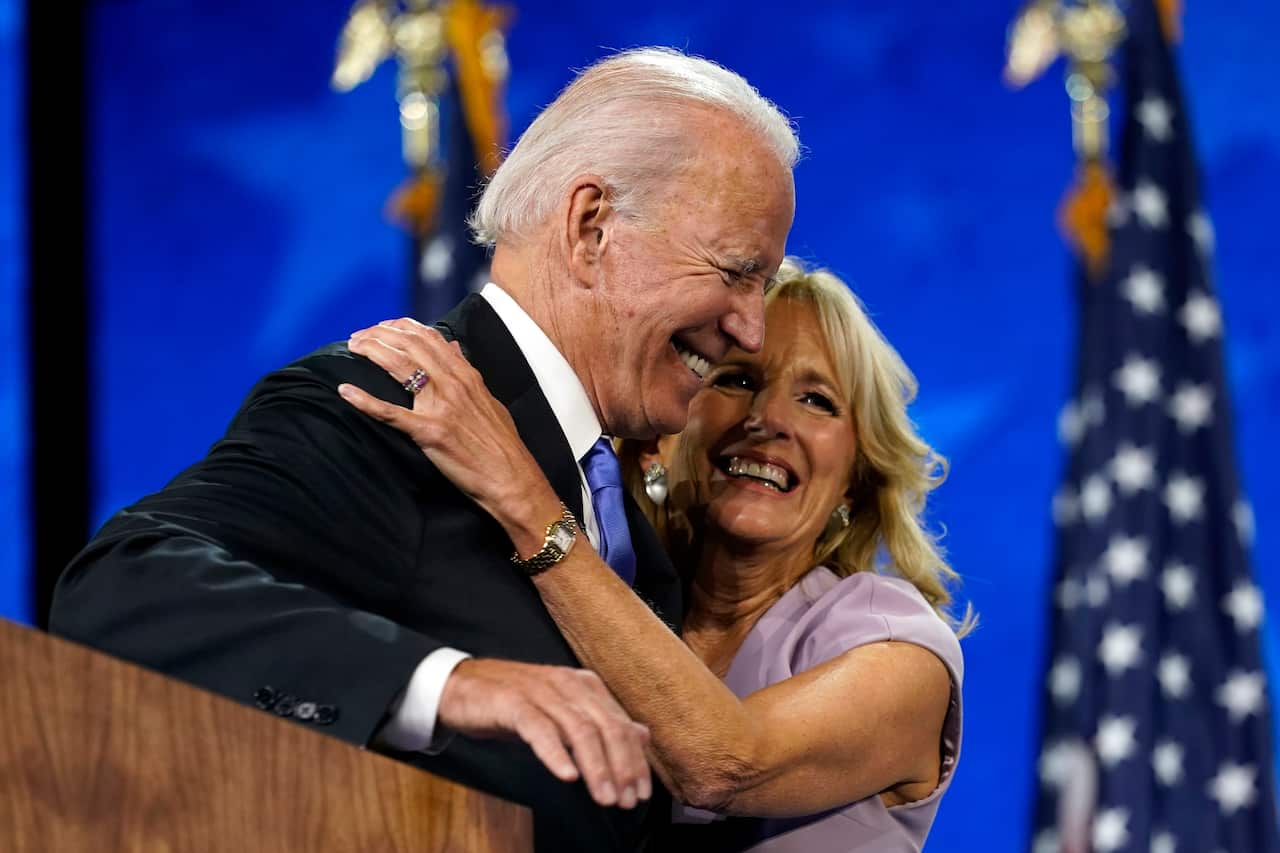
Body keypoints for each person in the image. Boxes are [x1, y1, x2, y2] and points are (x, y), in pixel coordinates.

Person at [48, 47, 798, 852]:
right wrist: (445, 682)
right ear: (591, 228)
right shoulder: (396, 403)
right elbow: (122, 587)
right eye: (736, 271)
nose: (752, 329)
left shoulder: (625, 514)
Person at [340, 258, 973, 851]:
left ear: (856, 480)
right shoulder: (611, 597)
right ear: (666, 441)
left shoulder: (897, 647)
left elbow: (727, 765)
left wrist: (524, 502)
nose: (767, 418)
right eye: (738, 379)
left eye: (816, 401)